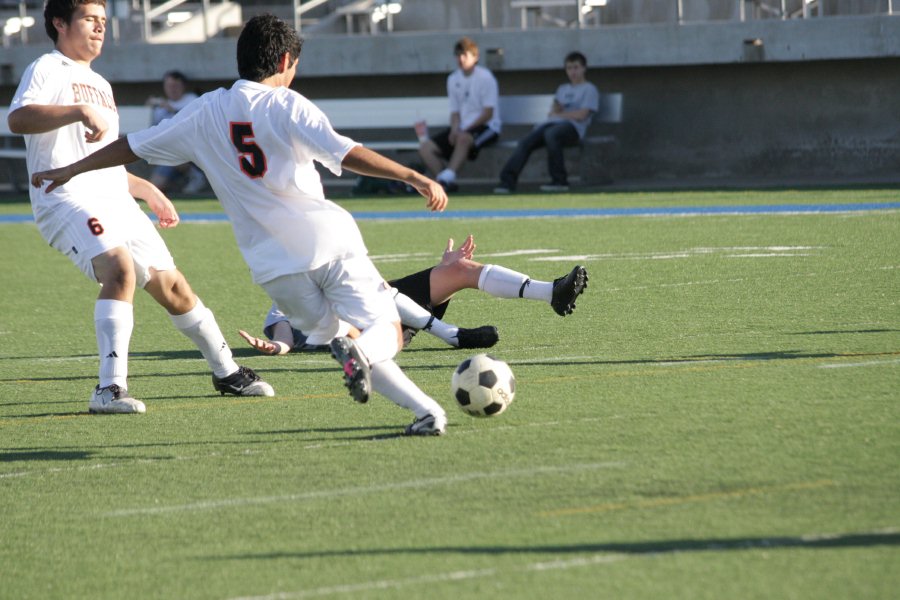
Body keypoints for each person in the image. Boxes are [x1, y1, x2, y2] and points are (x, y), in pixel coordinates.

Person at [32, 15, 454, 436]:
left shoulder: (204, 110)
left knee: (341, 336)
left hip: (274, 269)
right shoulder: (286, 103)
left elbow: (131, 146)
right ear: (286, 59)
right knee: (386, 333)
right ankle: (362, 353)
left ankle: (426, 413)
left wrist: (71, 168)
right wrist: (413, 176)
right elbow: (346, 153)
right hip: (327, 241)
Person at [7, 0, 274, 415]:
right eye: (89, 20)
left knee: (174, 288)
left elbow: (98, 160)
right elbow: (18, 119)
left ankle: (226, 372)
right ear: (59, 23)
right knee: (119, 269)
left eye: (102, 22)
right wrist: (77, 109)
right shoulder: (47, 67)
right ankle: (109, 389)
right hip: (64, 199)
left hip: (114, 201)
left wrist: (143, 186)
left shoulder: (101, 84)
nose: (99, 29)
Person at [239, 235, 587, 355]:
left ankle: (551, 293)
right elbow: (281, 331)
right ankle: (453, 337)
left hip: (391, 305)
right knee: (378, 296)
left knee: (458, 269)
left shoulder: (331, 269)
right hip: (373, 333)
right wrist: (278, 347)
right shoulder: (285, 296)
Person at [494, 52, 600, 194]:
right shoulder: (562, 89)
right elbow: (553, 112)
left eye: (576, 68)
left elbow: (582, 115)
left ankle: (559, 181)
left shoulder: (589, 89)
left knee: (552, 135)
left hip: (573, 129)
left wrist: (560, 114)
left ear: (584, 68)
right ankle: (507, 181)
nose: (573, 72)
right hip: (551, 125)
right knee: (526, 141)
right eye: (569, 68)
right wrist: (558, 112)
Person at [418, 36, 501, 193]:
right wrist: (455, 129)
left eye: (465, 55)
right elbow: (455, 112)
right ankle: (444, 182)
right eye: (458, 55)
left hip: (487, 127)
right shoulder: (453, 79)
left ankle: (446, 178)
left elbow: (488, 113)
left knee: (463, 138)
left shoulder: (486, 78)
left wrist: (463, 130)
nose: (461, 59)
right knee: (425, 148)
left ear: (475, 57)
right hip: (463, 128)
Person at [145, 70, 208, 194]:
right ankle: (184, 179)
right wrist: (147, 110)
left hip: (192, 149)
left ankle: (195, 175)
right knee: (155, 186)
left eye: (175, 86)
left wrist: (170, 108)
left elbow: (191, 122)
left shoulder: (192, 99)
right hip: (167, 153)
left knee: (177, 151)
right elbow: (152, 130)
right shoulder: (159, 108)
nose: (172, 89)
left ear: (183, 86)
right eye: (169, 86)